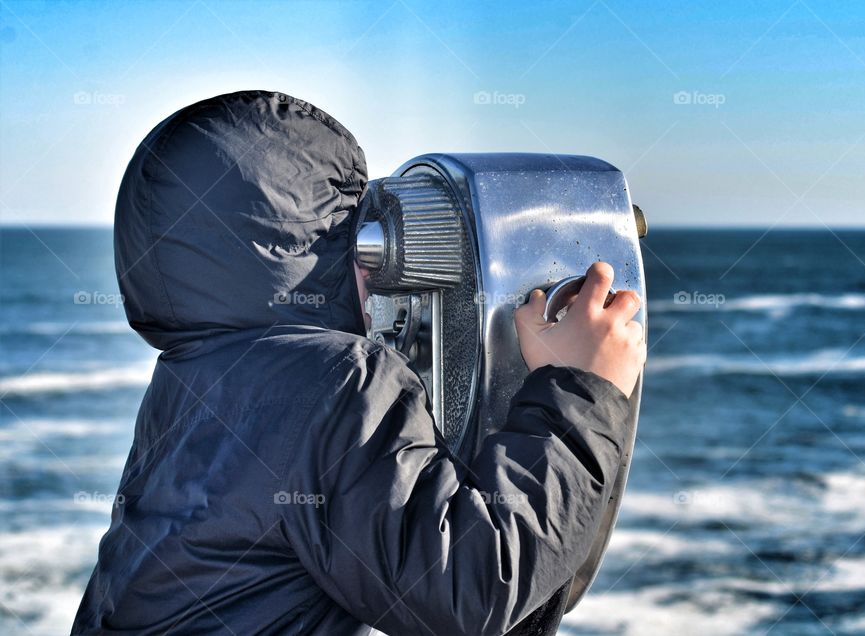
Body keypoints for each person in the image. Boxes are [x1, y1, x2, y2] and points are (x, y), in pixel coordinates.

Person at [72, 90, 645, 636]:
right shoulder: (332, 378)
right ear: (316, 241)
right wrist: (579, 387)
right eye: (360, 230)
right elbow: (470, 590)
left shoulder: (195, 377)